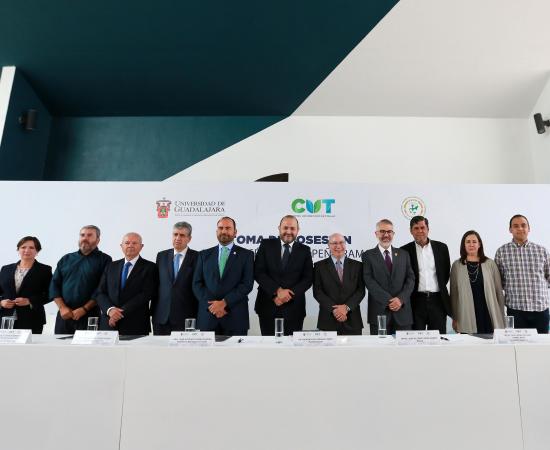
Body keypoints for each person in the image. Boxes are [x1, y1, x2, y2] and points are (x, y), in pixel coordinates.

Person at [192, 217, 254, 336]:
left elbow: (247, 284)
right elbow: (197, 284)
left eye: (228, 228)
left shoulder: (247, 255)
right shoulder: (204, 255)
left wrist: (224, 303)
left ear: (235, 232)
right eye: (220, 228)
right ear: (216, 231)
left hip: (235, 317)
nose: (224, 231)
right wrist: (214, 306)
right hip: (208, 316)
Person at [254, 215, 313, 335]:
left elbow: (308, 278)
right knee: (268, 344)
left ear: (298, 230)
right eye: (285, 228)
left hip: (294, 308)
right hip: (267, 305)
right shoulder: (266, 245)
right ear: (279, 228)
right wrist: (277, 291)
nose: (288, 231)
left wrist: (288, 295)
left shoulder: (305, 250)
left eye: (292, 228)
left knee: (292, 346)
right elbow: (259, 272)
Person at [49, 225, 112, 334]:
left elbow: (102, 288)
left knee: (88, 345)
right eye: (82, 235)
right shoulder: (66, 259)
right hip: (65, 315)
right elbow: (54, 285)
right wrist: (62, 307)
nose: (85, 238)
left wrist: (84, 309)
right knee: (60, 344)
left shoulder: (105, 260)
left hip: (90, 315)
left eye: (89, 235)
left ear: (98, 240)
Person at [495, 214, 550, 334]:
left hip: (540, 310)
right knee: (517, 345)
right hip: (515, 310)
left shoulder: (542, 251)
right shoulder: (501, 252)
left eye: (523, 225)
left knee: (542, 344)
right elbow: (499, 281)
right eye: (515, 226)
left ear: (529, 228)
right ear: (510, 230)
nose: (520, 228)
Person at [96, 232, 157, 335]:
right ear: (121, 246)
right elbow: (100, 292)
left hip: (135, 324)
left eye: (134, 243)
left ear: (141, 246)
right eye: (127, 243)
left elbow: (146, 294)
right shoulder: (111, 266)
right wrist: (110, 310)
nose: (130, 245)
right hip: (108, 323)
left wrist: (119, 313)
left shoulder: (151, 267)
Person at [362, 219, 415, 334]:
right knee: (379, 346)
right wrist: (389, 301)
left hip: (402, 313)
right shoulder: (368, 255)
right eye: (382, 231)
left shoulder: (404, 254)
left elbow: (410, 279)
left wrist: (400, 299)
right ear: (376, 234)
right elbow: (369, 281)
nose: (386, 235)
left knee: (403, 346)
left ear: (393, 234)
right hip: (379, 312)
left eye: (389, 231)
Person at [401, 216, 451, 333]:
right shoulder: (404, 251)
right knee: (415, 339)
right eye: (416, 228)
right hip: (415, 301)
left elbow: (445, 274)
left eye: (422, 227)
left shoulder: (442, 248)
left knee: (438, 338)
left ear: (428, 229)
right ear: (411, 231)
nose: (420, 231)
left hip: (438, 301)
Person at [450, 231, 505, 333]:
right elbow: (454, 294)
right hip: (466, 314)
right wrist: (455, 317)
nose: (471, 244)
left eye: (474, 242)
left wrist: (501, 316)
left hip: (488, 312)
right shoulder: (456, 265)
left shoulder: (490, 264)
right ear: (463, 245)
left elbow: (499, 292)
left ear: (479, 244)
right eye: (468, 242)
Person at [152, 222, 198, 335]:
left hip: (186, 317)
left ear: (189, 238)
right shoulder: (161, 256)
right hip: (161, 317)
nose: (178, 238)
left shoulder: (198, 257)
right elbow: (156, 284)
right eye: (175, 234)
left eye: (182, 235)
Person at [313, 233, 365, 335]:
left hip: (352, 320)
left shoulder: (358, 265)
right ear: (328, 245)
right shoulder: (319, 266)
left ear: (345, 244)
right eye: (334, 243)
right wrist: (336, 310)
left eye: (341, 242)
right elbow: (317, 292)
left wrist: (346, 307)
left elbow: (361, 291)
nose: (338, 246)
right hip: (328, 320)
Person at [0, 236, 52, 333]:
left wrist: (30, 301)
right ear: (18, 249)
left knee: (30, 343)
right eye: (23, 247)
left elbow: (51, 293)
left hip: (32, 318)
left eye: (31, 247)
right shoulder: (5, 269)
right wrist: (1, 302)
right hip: (5, 318)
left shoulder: (44, 270)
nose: (27, 250)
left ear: (37, 251)